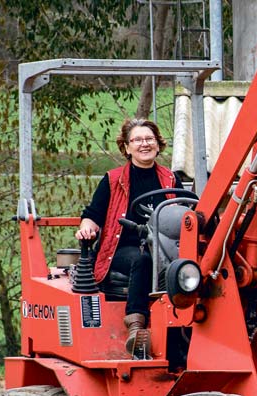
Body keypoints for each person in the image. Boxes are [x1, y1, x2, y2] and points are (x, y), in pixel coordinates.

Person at [76, 118, 182, 355]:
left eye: (149, 139)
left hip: (165, 249)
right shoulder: (113, 180)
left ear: (158, 144)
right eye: (137, 140)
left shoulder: (171, 179)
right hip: (122, 249)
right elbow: (92, 214)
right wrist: (86, 228)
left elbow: (186, 212)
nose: (144, 144)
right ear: (126, 147)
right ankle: (136, 326)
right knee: (142, 260)